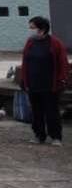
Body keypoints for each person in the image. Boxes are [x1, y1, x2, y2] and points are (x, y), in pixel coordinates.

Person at [20, 16, 68, 147]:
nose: (30, 30)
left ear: (42, 29)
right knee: (36, 112)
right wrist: (24, 80)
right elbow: (25, 61)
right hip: (33, 84)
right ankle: (39, 135)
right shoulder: (30, 42)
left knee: (52, 112)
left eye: (32, 27)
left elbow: (63, 63)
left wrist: (61, 80)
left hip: (50, 85)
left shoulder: (55, 43)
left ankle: (56, 137)